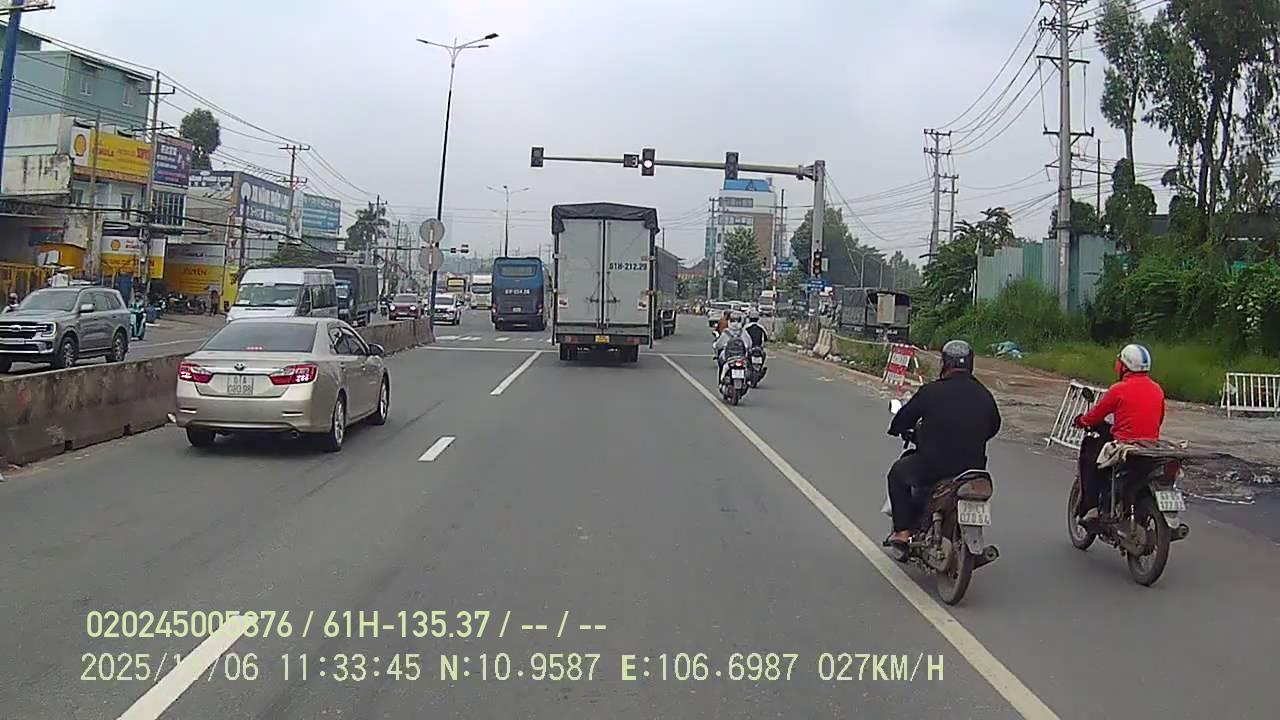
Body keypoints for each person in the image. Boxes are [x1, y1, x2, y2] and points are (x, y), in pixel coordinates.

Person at [884, 340, 1001, 549]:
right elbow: (994, 427)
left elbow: (903, 419)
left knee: (897, 474)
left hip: (934, 467)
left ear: (944, 363)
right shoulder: (984, 395)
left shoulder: (930, 391)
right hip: (973, 470)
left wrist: (898, 429)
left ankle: (902, 532)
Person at [1071, 343, 1166, 522]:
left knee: (1090, 453)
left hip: (1125, 445)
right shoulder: (1157, 389)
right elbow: (1159, 420)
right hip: (1150, 446)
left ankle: (1091, 508)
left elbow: (1096, 415)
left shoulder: (1119, 389)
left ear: (1124, 366)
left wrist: (1081, 421)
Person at [714, 315, 752, 381]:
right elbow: (749, 343)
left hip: (728, 356)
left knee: (721, 363)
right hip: (742, 356)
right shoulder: (743, 332)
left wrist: (716, 346)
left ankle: (721, 380)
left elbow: (719, 345)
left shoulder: (726, 332)